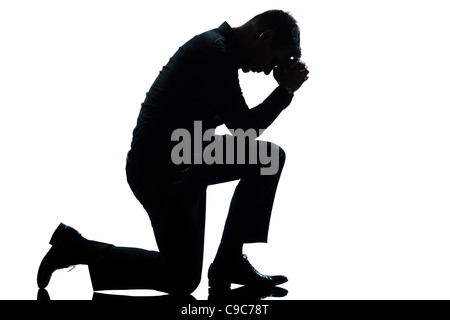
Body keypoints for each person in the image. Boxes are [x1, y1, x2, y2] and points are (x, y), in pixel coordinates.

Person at [37, 9, 309, 296]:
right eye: (273, 61)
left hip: (190, 156)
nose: (268, 71)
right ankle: (76, 248)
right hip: (158, 171)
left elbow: (239, 128)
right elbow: (244, 129)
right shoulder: (215, 52)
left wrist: (283, 88)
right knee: (180, 278)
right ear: (264, 38)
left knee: (268, 158)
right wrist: (285, 91)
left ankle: (229, 260)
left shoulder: (220, 51)